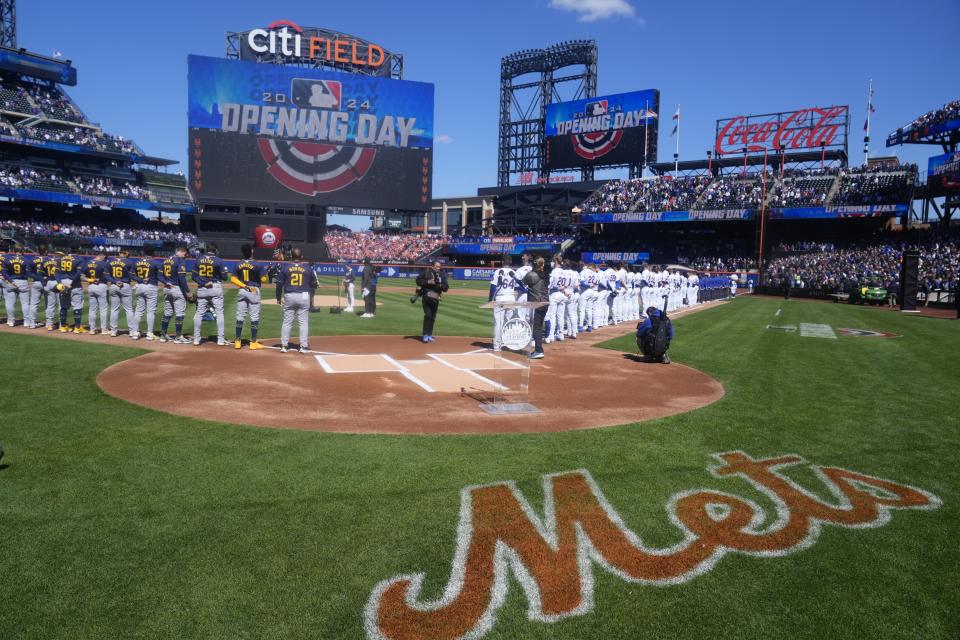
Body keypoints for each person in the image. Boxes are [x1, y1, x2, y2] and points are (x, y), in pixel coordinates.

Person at [277, 247, 319, 353]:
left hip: (289, 295)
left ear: (291, 256)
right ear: (301, 256)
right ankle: (303, 346)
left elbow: (279, 284)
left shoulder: (285, 267)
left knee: (287, 322)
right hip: (304, 295)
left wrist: (278, 297)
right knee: (303, 322)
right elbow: (314, 284)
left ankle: (284, 345)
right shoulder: (308, 268)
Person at [192, 243, 229, 346]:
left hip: (202, 288)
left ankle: (196, 339)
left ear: (206, 249)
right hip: (215, 287)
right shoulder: (219, 260)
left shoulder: (198, 259)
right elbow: (225, 277)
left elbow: (194, 277)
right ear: (215, 250)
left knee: (199, 313)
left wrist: (203, 283)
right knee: (219, 313)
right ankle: (220, 340)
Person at [233, 244, 265, 350]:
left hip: (242, 290)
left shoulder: (238, 264)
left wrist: (244, 286)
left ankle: (237, 341)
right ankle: (253, 342)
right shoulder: (258, 264)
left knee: (240, 316)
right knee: (254, 317)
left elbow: (233, 279)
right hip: (254, 290)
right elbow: (264, 279)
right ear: (252, 251)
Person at [158, 245, 191, 344]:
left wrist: (166, 282)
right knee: (180, 313)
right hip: (177, 288)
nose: (185, 256)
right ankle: (178, 336)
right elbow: (182, 278)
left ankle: (163, 335)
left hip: (167, 288)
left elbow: (159, 275)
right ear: (183, 252)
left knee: (167, 312)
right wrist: (188, 291)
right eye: (185, 254)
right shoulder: (180, 261)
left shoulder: (166, 260)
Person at [488, 258, 523, 351]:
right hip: (511, 298)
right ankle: (509, 342)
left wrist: (490, 300)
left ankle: (496, 346)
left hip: (500, 298)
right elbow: (519, 287)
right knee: (508, 322)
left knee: (498, 323)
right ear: (511, 262)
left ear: (502, 262)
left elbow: (493, 287)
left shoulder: (498, 271)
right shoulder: (514, 273)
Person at [130, 246, 161, 340]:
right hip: (151, 287)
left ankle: (135, 332)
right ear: (153, 253)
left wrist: (140, 279)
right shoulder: (156, 263)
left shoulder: (137, 262)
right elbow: (160, 276)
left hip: (140, 286)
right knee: (151, 311)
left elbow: (131, 274)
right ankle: (149, 333)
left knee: (139, 310)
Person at [522, 256, 549, 359]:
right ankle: (538, 348)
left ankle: (539, 350)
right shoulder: (546, 274)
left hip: (537, 302)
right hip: (546, 301)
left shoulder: (531, 274)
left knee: (536, 327)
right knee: (540, 325)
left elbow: (523, 283)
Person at [415, 261, 448, 342]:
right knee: (428, 315)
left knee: (433, 317)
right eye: (437, 266)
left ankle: (429, 334)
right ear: (432, 266)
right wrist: (428, 282)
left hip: (436, 297)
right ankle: (425, 334)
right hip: (427, 296)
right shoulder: (426, 272)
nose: (438, 268)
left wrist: (440, 285)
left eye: (439, 266)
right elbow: (418, 281)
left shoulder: (442, 274)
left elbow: (446, 287)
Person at [57, 247, 86, 333]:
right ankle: (77, 328)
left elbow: (56, 273)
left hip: (62, 282)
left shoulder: (60, 259)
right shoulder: (79, 259)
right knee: (77, 306)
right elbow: (78, 274)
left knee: (63, 306)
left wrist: (59, 283)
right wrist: (72, 284)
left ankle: (62, 327)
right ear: (77, 251)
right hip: (74, 283)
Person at [107, 250, 134, 337]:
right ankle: (132, 331)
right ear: (126, 255)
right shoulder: (129, 262)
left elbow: (107, 275)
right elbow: (132, 275)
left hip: (114, 285)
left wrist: (115, 281)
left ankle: (113, 331)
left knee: (114, 309)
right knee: (129, 309)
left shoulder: (111, 262)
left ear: (119, 254)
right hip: (125, 285)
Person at [83, 249, 109, 335]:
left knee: (92, 309)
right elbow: (108, 276)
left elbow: (81, 276)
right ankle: (104, 329)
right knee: (103, 309)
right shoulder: (103, 263)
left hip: (91, 286)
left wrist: (90, 279)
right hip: (101, 286)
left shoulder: (87, 263)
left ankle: (92, 329)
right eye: (105, 257)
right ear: (103, 256)